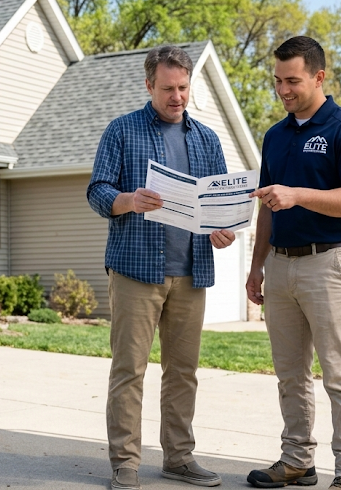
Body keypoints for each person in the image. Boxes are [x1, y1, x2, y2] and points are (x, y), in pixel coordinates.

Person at [87, 45, 235, 490]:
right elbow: (97, 191)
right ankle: (125, 463)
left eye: (184, 87)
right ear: (149, 84)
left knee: (183, 371)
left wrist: (221, 231)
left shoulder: (207, 139)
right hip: (136, 270)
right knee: (130, 369)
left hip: (191, 272)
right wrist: (128, 200)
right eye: (168, 88)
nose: (177, 96)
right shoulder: (122, 131)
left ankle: (179, 458)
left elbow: (220, 206)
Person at [245, 36, 341, 490]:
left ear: (319, 77)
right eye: (277, 80)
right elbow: (267, 206)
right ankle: (297, 459)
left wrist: (297, 194)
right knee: (290, 374)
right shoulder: (275, 136)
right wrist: (256, 264)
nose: (283, 89)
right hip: (280, 266)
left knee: (339, 373)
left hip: (331, 265)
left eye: (293, 81)